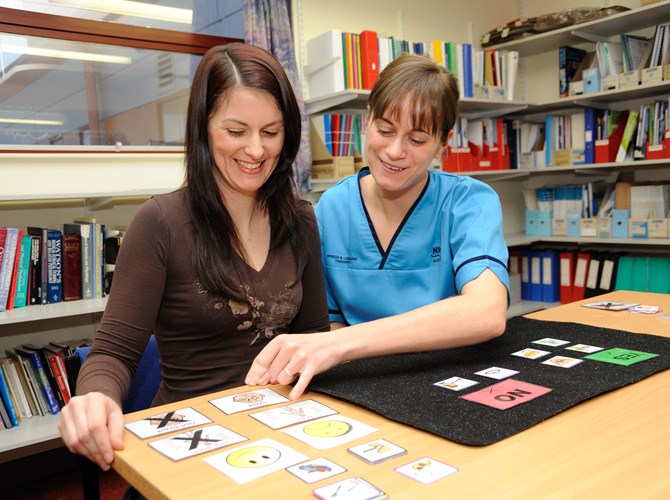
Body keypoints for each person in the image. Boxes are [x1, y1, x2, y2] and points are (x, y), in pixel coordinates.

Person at [58, 43, 330, 471]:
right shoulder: (161, 222)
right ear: (203, 128)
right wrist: (95, 398)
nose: (256, 150)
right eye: (236, 131)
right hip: (193, 440)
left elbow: (314, 337)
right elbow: (113, 353)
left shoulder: (300, 219)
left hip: (282, 430)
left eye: (271, 132)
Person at [246, 54, 510, 400]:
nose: (395, 151)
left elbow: (487, 313)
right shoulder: (331, 210)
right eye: (385, 130)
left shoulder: (469, 201)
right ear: (366, 121)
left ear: (443, 143)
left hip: (452, 380)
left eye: (417, 140)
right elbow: (328, 322)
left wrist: (341, 343)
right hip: (367, 384)